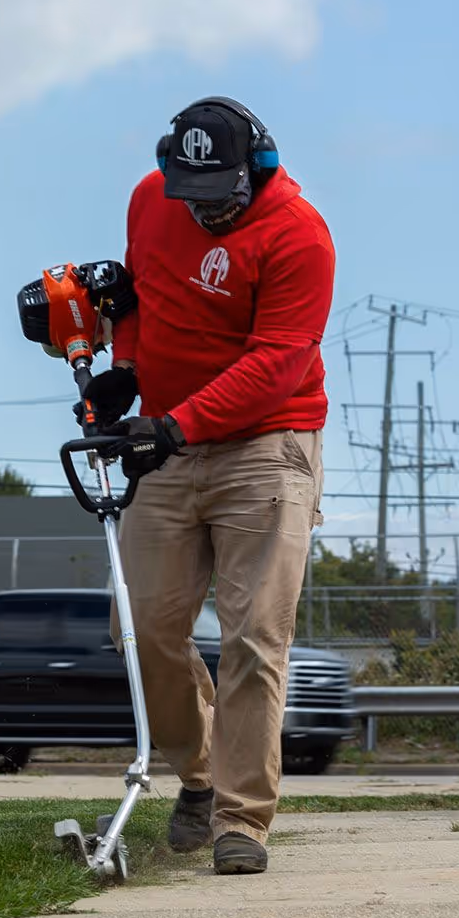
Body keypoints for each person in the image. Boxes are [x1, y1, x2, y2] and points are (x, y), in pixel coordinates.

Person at [86, 96, 336, 876]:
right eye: (191, 194)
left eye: (221, 195)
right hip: (167, 442)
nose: (206, 212)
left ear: (255, 170)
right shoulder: (150, 199)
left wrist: (178, 423)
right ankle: (198, 776)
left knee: (253, 638)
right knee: (147, 632)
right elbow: (138, 296)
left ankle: (242, 819)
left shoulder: (299, 235)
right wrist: (125, 370)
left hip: (267, 444)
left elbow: (278, 362)